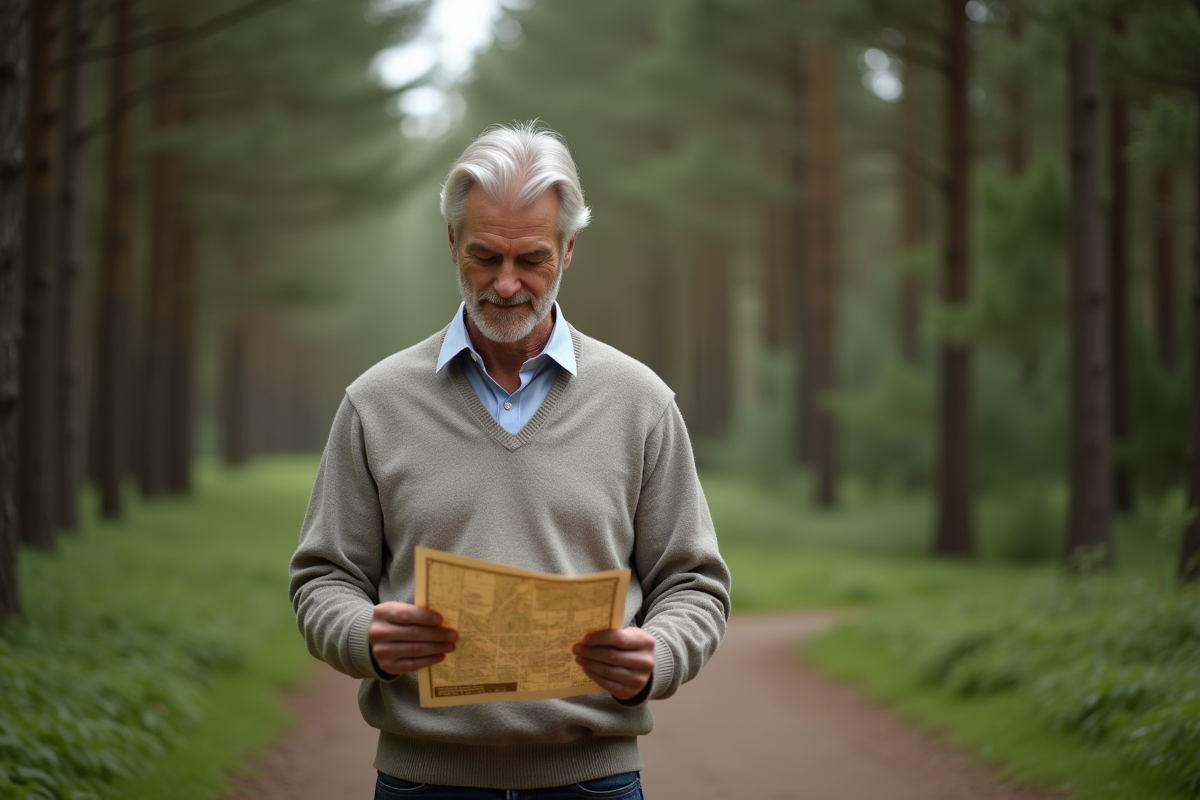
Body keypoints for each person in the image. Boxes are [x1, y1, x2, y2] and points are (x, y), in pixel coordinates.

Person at [289, 121, 731, 800]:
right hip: (422, 781)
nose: (504, 284)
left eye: (530, 259)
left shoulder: (640, 402)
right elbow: (323, 576)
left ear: (569, 250)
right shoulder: (375, 403)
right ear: (451, 244)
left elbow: (694, 584)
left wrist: (660, 654)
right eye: (483, 256)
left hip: (593, 782)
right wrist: (361, 634)